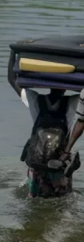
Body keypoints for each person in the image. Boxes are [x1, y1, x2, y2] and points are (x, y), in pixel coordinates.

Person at [8, 51, 84, 198]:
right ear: (65, 86)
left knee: (34, 200)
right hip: (58, 163)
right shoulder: (72, 103)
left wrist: (14, 53)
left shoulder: (35, 101)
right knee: (60, 203)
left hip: (37, 165)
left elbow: (12, 79)